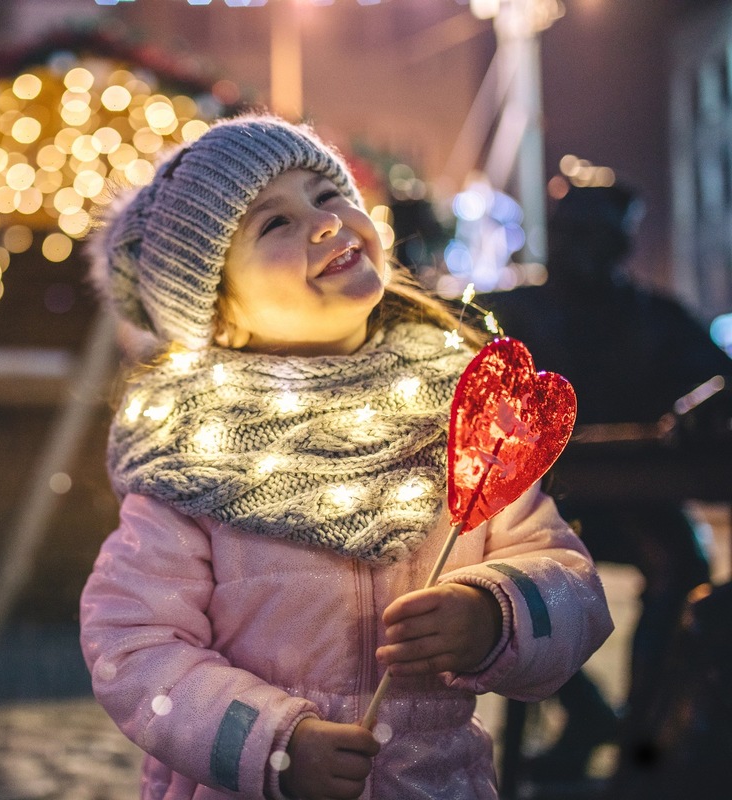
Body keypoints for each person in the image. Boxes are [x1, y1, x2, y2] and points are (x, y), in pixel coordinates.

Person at [78, 115, 614, 800]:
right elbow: (134, 648)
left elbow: (574, 585)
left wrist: (495, 614)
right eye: (274, 224)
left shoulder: (457, 418)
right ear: (219, 315)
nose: (325, 221)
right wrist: (273, 745)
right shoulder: (190, 464)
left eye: (328, 193)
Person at [483, 182, 731, 787]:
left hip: (637, 503)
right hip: (534, 504)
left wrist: (711, 399)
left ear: (620, 242)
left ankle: (643, 744)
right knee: (508, 581)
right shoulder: (513, 313)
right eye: (574, 234)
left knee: (681, 564)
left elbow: (721, 379)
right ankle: (594, 715)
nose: (584, 250)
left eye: (599, 235)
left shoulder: (656, 318)